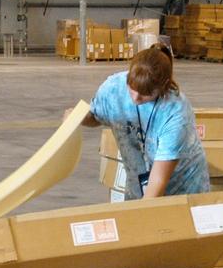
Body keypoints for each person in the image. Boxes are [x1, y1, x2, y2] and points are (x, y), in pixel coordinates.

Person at [78, 45, 211, 200]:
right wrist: (79, 118)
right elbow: (98, 117)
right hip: (138, 183)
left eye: (145, 94)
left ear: (163, 86)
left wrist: (143, 214)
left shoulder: (175, 113)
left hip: (181, 189)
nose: (135, 98)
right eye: (132, 89)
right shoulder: (113, 88)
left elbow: (158, 179)